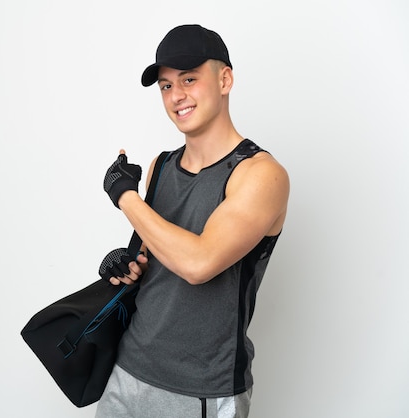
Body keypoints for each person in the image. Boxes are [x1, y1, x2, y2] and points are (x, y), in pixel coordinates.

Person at [96, 24, 290, 418]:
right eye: (166, 86)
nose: (176, 96)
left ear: (225, 79)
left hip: (201, 389)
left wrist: (125, 197)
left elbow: (199, 263)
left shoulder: (260, 175)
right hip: (128, 369)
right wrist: (128, 264)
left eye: (189, 79)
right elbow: (159, 255)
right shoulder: (161, 167)